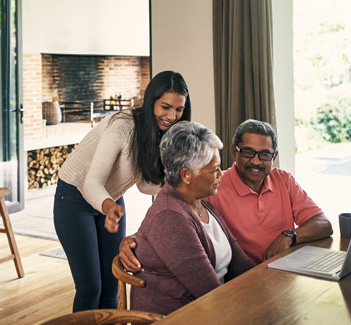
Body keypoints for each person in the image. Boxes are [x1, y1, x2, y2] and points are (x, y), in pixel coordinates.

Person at [53, 70, 191, 312]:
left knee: (112, 285)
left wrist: (179, 184)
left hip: (112, 202)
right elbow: (91, 183)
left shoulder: (164, 134)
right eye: (165, 107)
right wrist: (109, 207)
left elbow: (144, 184)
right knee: (90, 288)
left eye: (178, 109)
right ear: (151, 102)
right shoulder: (122, 126)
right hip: (75, 197)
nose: (172, 116)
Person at [120, 119, 332, 270]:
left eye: (265, 154)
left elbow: (323, 224)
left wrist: (289, 236)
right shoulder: (212, 185)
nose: (256, 161)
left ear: (274, 156)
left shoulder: (283, 179)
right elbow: (169, 218)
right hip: (241, 278)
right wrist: (133, 240)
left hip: (284, 273)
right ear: (234, 151)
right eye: (248, 152)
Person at [130, 121, 254, 315]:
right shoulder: (170, 218)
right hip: (179, 317)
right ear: (186, 175)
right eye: (214, 170)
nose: (221, 175)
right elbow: (208, 291)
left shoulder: (202, 204)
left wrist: (268, 287)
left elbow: (242, 265)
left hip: (209, 309)